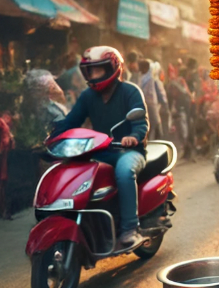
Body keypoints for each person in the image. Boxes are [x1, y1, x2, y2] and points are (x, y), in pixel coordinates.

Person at [51, 47, 150, 247]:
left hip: (128, 151)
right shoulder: (88, 96)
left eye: (98, 70)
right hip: (100, 152)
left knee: (124, 171)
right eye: (90, 71)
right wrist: (50, 136)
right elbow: (71, 121)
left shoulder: (130, 92)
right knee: (77, 173)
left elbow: (141, 123)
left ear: (113, 68)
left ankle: (130, 228)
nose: (94, 75)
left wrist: (133, 137)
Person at [138, 59, 169, 140]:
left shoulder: (146, 78)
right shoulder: (148, 78)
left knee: (152, 126)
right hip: (151, 105)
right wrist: (164, 103)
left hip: (147, 105)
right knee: (155, 125)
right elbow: (160, 93)